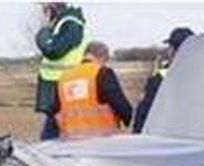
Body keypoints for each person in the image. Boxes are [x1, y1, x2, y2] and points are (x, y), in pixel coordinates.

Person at [34, 3, 89, 140]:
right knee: (53, 134)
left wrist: (44, 30)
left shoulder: (71, 24)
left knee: (56, 137)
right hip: (60, 87)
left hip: (65, 86)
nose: (42, 14)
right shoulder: (63, 24)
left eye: (45, 10)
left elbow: (53, 49)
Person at [54, 41, 132, 138]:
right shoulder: (102, 73)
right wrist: (128, 119)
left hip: (71, 141)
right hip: (101, 141)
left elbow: (55, 109)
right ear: (103, 57)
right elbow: (121, 106)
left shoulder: (64, 77)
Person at [133, 26, 194, 132]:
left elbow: (144, 114)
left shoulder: (161, 79)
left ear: (173, 51)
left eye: (170, 47)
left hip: (167, 136)